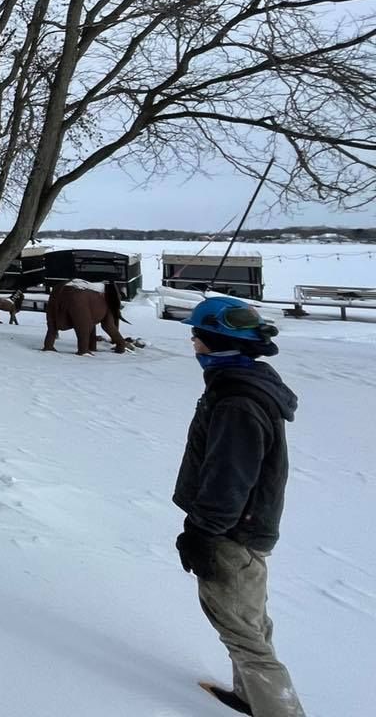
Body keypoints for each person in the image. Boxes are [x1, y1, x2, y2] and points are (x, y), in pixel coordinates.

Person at [174, 295, 304, 717]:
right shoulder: (243, 382)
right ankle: (250, 696)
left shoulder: (237, 401)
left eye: (197, 337)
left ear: (214, 343)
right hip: (242, 526)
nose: (193, 345)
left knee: (241, 629)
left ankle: (280, 711)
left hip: (232, 532)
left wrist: (202, 533)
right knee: (248, 619)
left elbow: (229, 478)